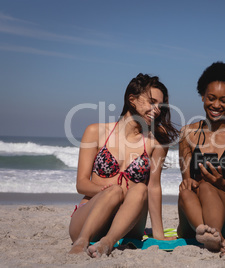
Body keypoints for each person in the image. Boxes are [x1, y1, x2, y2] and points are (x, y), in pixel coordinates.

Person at [68, 73, 179, 257]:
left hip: (129, 224)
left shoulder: (155, 143)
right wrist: (113, 190)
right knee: (114, 191)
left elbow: (153, 187)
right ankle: (81, 241)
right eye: (152, 102)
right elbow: (81, 184)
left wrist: (158, 234)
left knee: (141, 189)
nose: (157, 110)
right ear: (132, 99)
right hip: (89, 218)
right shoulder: (96, 132)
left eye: (160, 106)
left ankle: (107, 242)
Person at [177, 62, 225, 256]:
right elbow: (186, 181)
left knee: (207, 186)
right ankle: (213, 236)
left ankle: (213, 235)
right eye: (211, 98)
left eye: (224, 100)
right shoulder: (187, 133)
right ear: (202, 96)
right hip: (196, 214)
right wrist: (190, 183)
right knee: (187, 193)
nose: (217, 105)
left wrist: (221, 182)